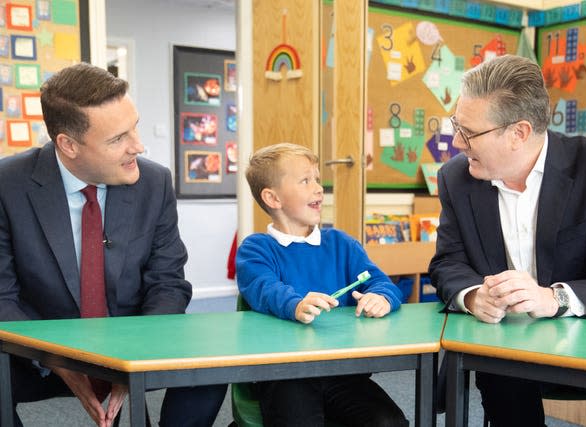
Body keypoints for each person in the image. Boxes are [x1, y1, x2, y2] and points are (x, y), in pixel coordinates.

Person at [0, 63, 226, 427]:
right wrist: (56, 359)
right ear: (68, 145)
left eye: (134, 126)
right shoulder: (8, 185)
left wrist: (133, 359)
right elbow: (2, 297)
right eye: (117, 138)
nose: (138, 145)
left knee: (212, 359)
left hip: (132, 342)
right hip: (38, 353)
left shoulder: (154, 183)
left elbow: (167, 284)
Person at [428, 54, 586, 427]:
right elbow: (447, 263)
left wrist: (552, 298)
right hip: (506, 345)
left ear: (519, 133)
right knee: (500, 371)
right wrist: (475, 295)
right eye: (456, 126)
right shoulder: (455, 178)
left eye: (469, 132)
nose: (456, 142)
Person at [236, 143, 408, 427]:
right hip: (286, 375)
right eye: (306, 180)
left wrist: (381, 297)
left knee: (389, 422)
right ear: (273, 198)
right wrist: (295, 305)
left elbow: (380, 282)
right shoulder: (256, 249)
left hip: (343, 373)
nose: (318, 188)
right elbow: (264, 289)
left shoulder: (341, 244)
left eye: (317, 178)